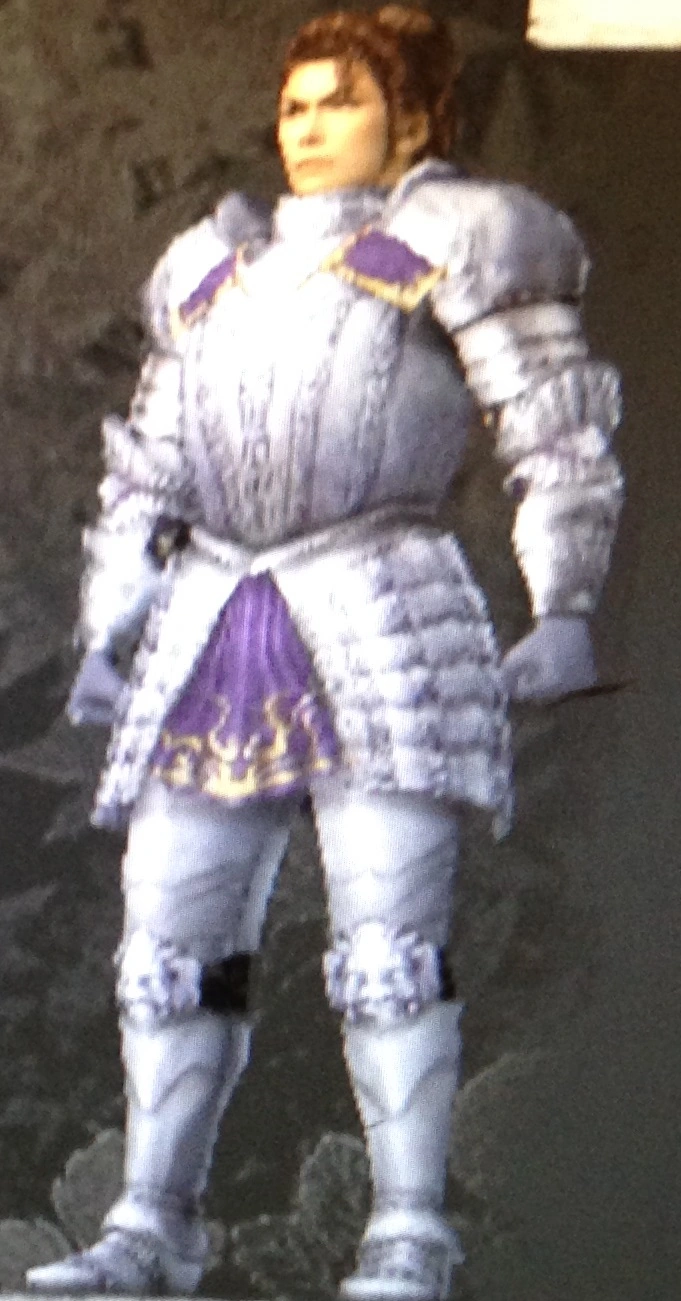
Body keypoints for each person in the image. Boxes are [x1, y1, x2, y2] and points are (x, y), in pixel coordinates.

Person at [26, 6, 624, 1298]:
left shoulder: (455, 238)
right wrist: (110, 628)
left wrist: (566, 602)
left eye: (338, 101)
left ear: (408, 119)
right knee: (169, 951)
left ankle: (407, 1230)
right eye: (293, 104)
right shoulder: (212, 271)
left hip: (381, 605)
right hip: (212, 618)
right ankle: (151, 1223)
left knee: (390, 950)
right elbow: (151, 471)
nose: (304, 126)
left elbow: (552, 426)